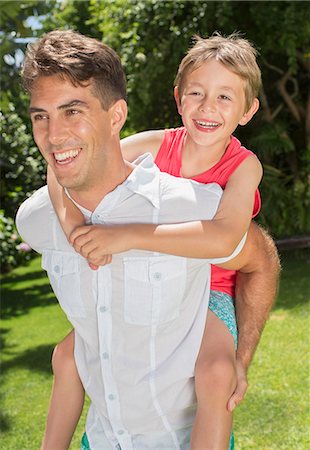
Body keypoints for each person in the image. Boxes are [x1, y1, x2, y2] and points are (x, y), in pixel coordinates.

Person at [15, 30, 280, 450]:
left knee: (215, 373)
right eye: (196, 93)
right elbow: (75, 154)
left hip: (211, 287)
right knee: (66, 357)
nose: (207, 107)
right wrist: (70, 225)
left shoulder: (244, 165)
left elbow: (225, 236)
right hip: (161, 280)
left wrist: (128, 236)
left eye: (225, 98)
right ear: (179, 99)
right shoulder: (159, 143)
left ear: (248, 111)